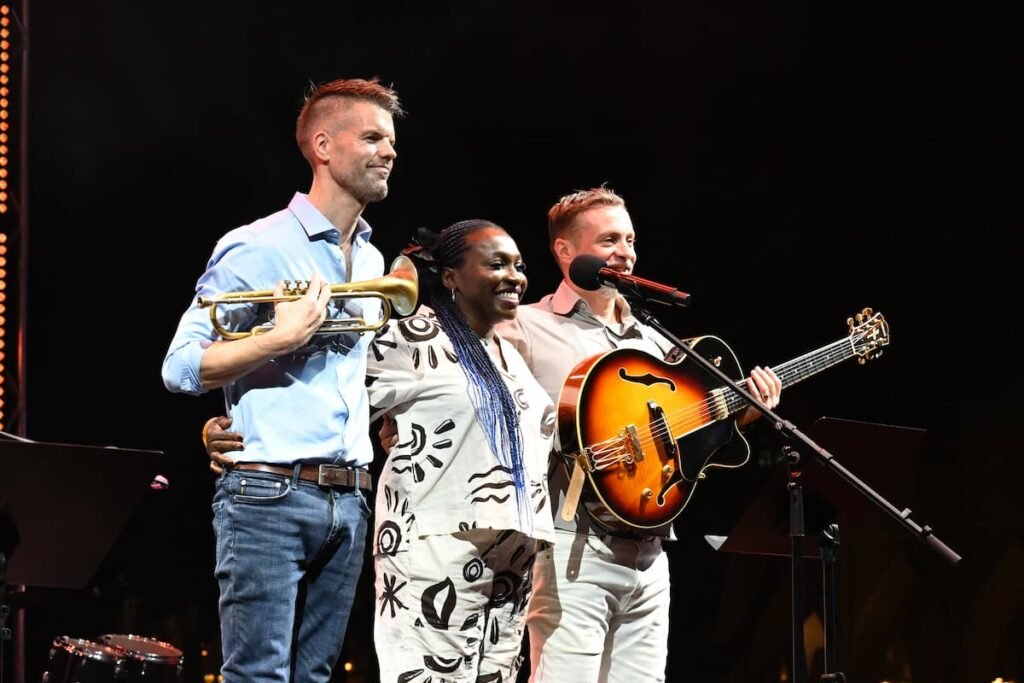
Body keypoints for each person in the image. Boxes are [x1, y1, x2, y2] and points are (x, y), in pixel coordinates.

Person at [206, 220, 557, 682]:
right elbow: (327, 391)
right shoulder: (411, 338)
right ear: (451, 277)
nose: (515, 276)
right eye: (496, 264)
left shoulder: (507, 354)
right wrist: (231, 425)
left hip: (513, 552)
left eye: (518, 265)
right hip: (439, 546)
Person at [161, 77, 402, 683]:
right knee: (257, 677)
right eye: (372, 137)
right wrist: (281, 336)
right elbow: (180, 366)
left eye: (391, 141)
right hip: (268, 494)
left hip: (348, 498)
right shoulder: (258, 246)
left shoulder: (373, 261)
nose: (389, 152)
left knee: (317, 678)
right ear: (323, 145)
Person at [497, 186, 782, 682]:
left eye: (629, 239)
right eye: (609, 239)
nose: (624, 252)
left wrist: (740, 414)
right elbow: (484, 417)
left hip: (651, 556)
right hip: (572, 549)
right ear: (565, 251)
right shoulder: (525, 327)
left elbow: (681, 444)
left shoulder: (654, 340)